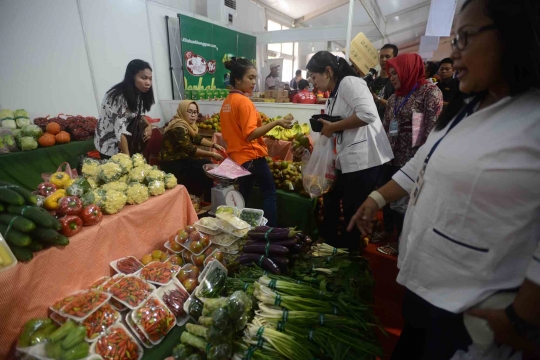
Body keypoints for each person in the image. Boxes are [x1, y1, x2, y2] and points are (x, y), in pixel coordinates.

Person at [349, 0, 540, 358]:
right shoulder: (466, 107)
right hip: (425, 284)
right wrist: (376, 199)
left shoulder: (531, 119)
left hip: (475, 305)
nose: (454, 53)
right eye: (453, 39)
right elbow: (421, 162)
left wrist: (521, 317)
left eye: (465, 37)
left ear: (512, 36)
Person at [306, 51, 393, 252]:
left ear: (327, 71)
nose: (312, 82)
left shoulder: (349, 83)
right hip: (349, 157)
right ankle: (334, 243)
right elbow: (341, 121)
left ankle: (351, 253)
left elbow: (368, 114)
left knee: (353, 207)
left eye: (313, 76)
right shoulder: (334, 94)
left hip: (366, 158)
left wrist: (333, 127)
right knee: (333, 198)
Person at [375, 53, 443, 254]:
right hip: (391, 156)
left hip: (413, 159)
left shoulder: (429, 92)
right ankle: (387, 230)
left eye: (396, 73)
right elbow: (387, 126)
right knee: (388, 199)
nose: (392, 77)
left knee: (405, 203)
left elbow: (432, 129)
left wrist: (423, 159)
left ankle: (400, 242)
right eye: (391, 73)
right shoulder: (395, 97)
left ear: (409, 70)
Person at [220, 58, 293, 226]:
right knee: (269, 194)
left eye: (255, 78)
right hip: (251, 156)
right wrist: (276, 122)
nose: (254, 82)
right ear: (238, 79)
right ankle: (269, 233)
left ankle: (238, 228)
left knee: (243, 195)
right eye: (250, 78)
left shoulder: (227, 102)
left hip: (238, 158)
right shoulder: (244, 102)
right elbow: (250, 134)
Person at [159, 100, 225, 202]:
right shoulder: (178, 127)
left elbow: (197, 138)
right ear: (182, 111)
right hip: (171, 162)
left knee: (206, 165)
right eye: (189, 111)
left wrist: (214, 145)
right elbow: (191, 149)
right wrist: (212, 154)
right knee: (206, 166)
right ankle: (204, 200)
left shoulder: (187, 125)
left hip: (182, 158)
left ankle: (204, 199)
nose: (193, 115)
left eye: (195, 112)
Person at [95, 59, 154, 159]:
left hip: (126, 141)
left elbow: (136, 113)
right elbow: (120, 131)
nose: (148, 83)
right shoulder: (119, 97)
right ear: (132, 77)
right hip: (110, 146)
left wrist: (149, 125)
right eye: (144, 78)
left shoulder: (137, 92)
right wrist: (128, 160)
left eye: (150, 79)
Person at [371, 44, 399, 126]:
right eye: (381, 57)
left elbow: (397, 105)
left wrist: (377, 98)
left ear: (395, 58)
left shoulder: (397, 82)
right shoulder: (374, 81)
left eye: (387, 56)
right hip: (373, 125)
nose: (383, 60)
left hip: (389, 126)